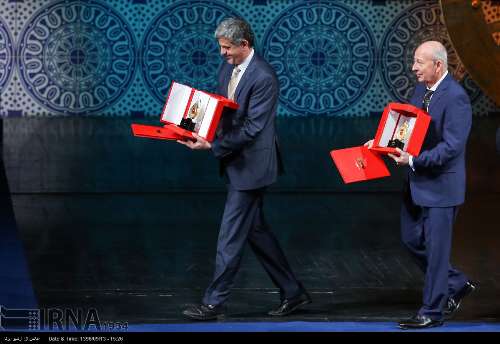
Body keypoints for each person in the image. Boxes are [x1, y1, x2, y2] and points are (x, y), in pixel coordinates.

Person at [178, 17, 311, 321]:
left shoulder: (264, 77)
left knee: (230, 235)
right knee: (256, 231)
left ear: (244, 45)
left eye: (226, 48)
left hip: (253, 167)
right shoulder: (228, 66)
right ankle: (293, 292)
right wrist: (198, 127)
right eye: (220, 48)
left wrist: (212, 145)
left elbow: (252, 128)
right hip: (235, 160)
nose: (222, 54)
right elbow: (223, 109)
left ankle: (213, 303)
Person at [366, 41, 475, 329]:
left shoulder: (456, 98)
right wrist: (380, 145)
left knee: (437, 252)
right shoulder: (421, 91)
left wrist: (413, 161)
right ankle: (456, 282)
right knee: (411, 239)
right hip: (416, 183)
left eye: (419, 62)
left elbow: (451, 147)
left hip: (441, 186)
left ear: (437, 65)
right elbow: (406, 128)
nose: (413, 67)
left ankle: (432, 311)